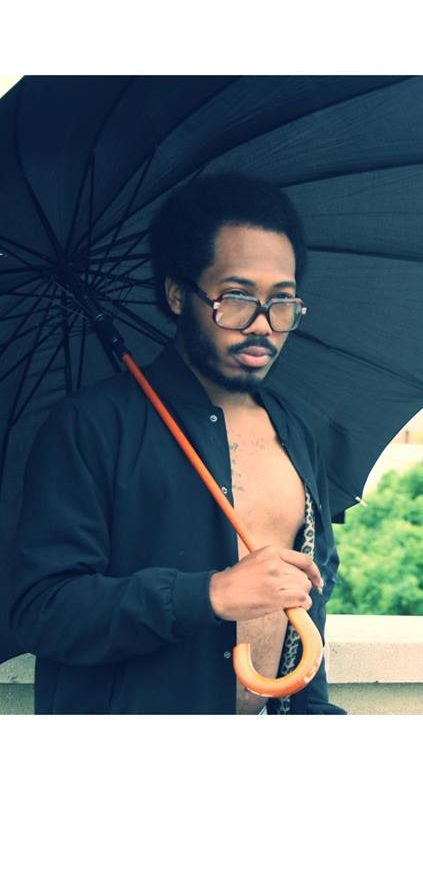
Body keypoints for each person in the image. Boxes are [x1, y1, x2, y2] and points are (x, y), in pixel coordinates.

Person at [9, 173, 347, 715]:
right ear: (176, 294)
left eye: (281, 301)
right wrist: (209, 595)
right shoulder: (91, 426)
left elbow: (307, 599)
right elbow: (41, 610)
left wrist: (314, 715)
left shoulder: (293, 430)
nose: (262, 325)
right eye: (236, 298)